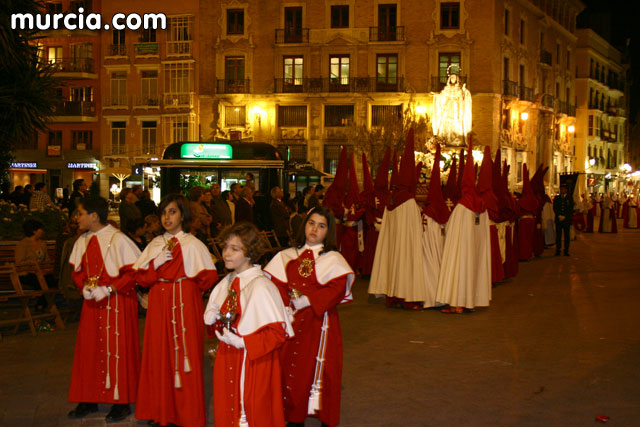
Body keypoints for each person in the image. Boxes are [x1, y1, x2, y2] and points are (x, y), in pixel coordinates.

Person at [264, 206, 355, 427]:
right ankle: (293, 418)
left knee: (323, 372)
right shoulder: (286, 256)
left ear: (328, 231)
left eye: (321, 226)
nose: (315, 229)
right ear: (304, 225)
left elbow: (338, 287)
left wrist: (310, 300)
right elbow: (274, 285)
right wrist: (285, 305)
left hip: (320, 324)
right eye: (311, 223)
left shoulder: (333, 259)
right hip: (292, 322)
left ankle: (324, 417)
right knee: (292, 370)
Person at [133, 194, 218, 427]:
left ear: (183, 215)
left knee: (185, 354)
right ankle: (161, 411)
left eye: (172, 212)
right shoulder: (155, 244)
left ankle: (185, 415)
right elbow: (141, 278)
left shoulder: (193, 244)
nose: (167, 217)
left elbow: (208, 277)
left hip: (184, 302)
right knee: (158, 355)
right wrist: (157, 262)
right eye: (163, 212)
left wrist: (185, 284)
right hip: (159, 304)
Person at [205, 222, 294, 426]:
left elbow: (277, 334)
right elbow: (226, 321)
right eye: (225, 247)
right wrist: (213, 318)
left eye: (235, 249)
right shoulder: (227, 281)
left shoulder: (262, 286)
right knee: (227, 406)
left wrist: (243, 342)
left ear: (250, 253)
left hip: (254, 361)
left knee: (253, 410)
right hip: (227, 356)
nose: (226, 253)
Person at [67, 197, 141, 422]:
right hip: (92, 303)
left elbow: (134, 273)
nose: (76, 218)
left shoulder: (118, 239)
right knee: (88, 350)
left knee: (118, 350)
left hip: (117, 303)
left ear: (94, 216)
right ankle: (88, 398)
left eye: (80, 213)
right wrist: (84, 287)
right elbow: (78, 271)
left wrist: (109, 289)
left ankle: (121, 401)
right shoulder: (82, 240)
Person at [15, 219, 56, 311]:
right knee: (41, 281)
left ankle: (41, 304)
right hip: (26, 274)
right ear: (34, 231)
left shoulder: (42, 244)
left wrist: (46, 268)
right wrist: (32, 265)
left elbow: (47, 260)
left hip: (41, 273)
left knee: (52, 280)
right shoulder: (22, 244)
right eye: (40, 229)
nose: (42, 231)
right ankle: (41, 305)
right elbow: (19, 263)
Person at [431, 67, 472, 147]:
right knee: (446, 125)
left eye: (454, 78)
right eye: (451, 77)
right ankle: (444, 140)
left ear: (457, 79)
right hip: (447, 110)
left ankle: (457, 140)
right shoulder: (446, 89)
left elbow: (463, 97)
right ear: (449, 79)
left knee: (456, 125)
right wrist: (436, 96)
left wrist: (465, 91)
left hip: (457, 111)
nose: (453, 79)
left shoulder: (460, 90)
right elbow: (441, 96)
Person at [553, 184, 573, 256]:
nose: (562, 190)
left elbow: (571, 208)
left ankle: (566, 250)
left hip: (566, 219)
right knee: (558, 235)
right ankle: (558, 250)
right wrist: (559, 215)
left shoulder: (569, 198)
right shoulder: (557, 198)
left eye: (564, 189)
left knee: (567, 236)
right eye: (561, 189)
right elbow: (555, 207)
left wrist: (565, 216)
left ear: (566, 190)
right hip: (559, 219)